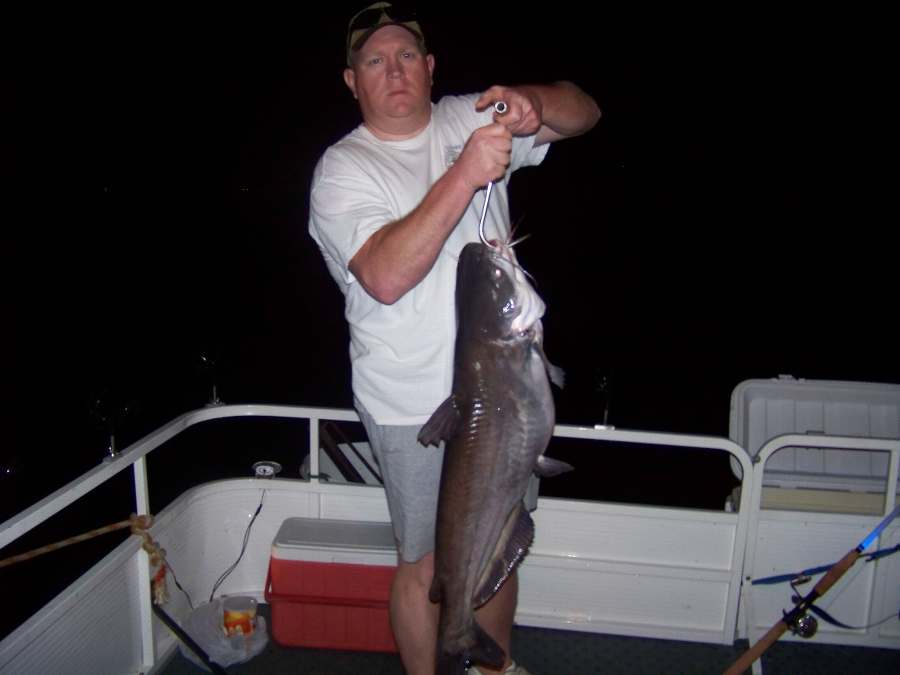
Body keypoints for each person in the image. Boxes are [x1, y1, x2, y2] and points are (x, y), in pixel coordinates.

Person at [308, 3, 601, 674]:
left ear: (430, 66)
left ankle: (492, 665)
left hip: (507, 395)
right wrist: (465, 172)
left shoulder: (467, 116)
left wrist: (531, 103)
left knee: (499, 543)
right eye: (374, 61)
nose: (394, 71)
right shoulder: (342, 170)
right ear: (352, 81)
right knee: (424, 563)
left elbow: (584, 112)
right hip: (412, 402)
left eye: (406, 55)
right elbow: (384, 274)